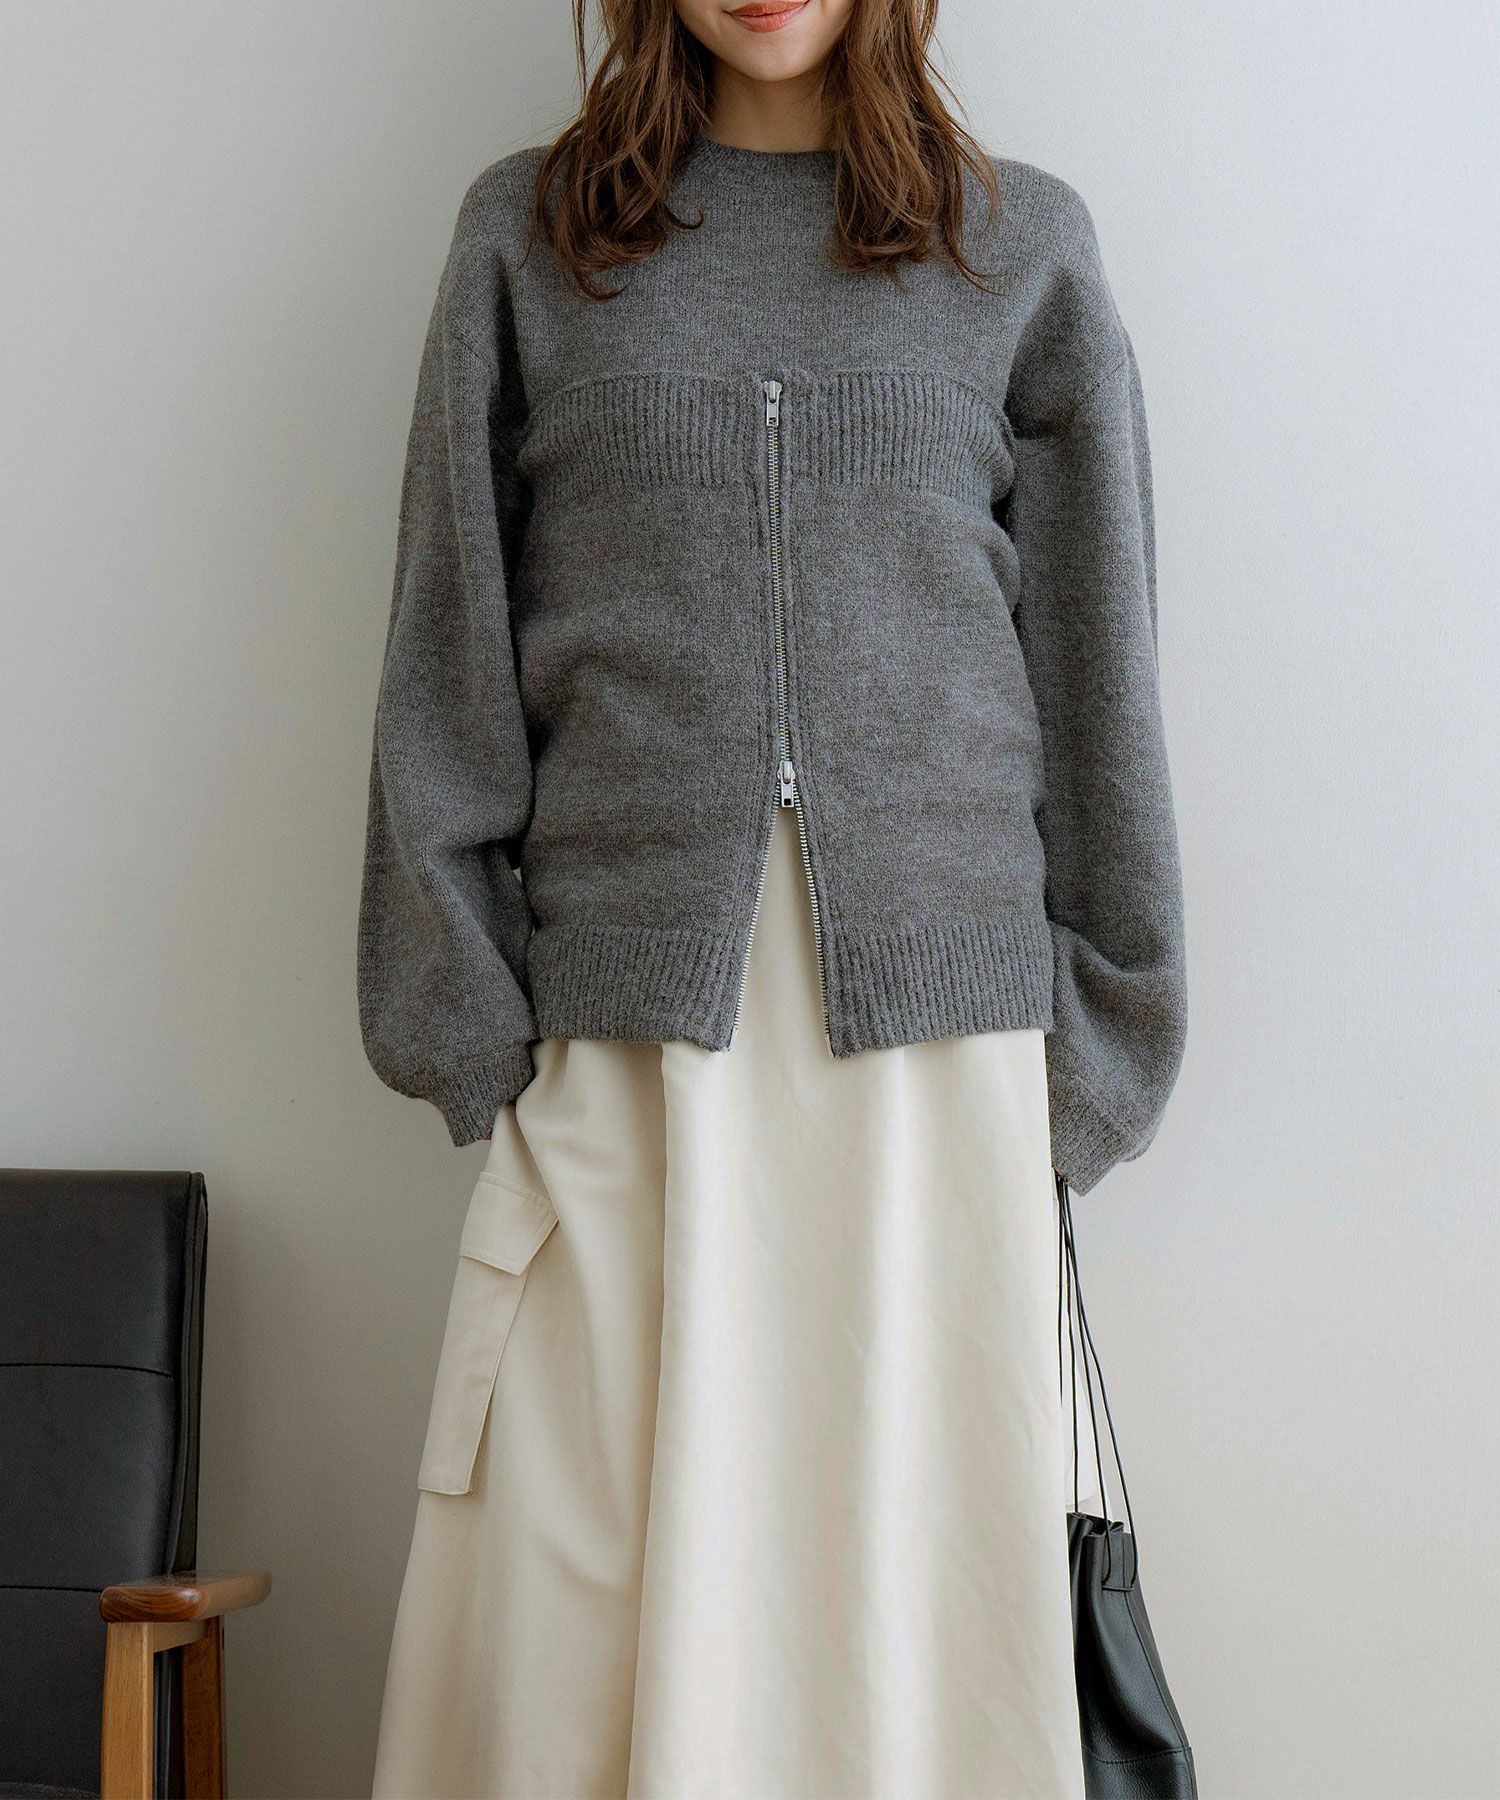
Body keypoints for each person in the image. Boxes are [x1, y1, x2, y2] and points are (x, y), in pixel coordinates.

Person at [358, 0, 1186, 1794]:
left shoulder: (1021, 248)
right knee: (577, 1634)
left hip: (938, 1080)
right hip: (623, 1060)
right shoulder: (528, 237)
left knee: (897, 1633)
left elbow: (1101, 676)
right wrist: (474, 1039)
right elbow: (447, 656)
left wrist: (1098, 1054)